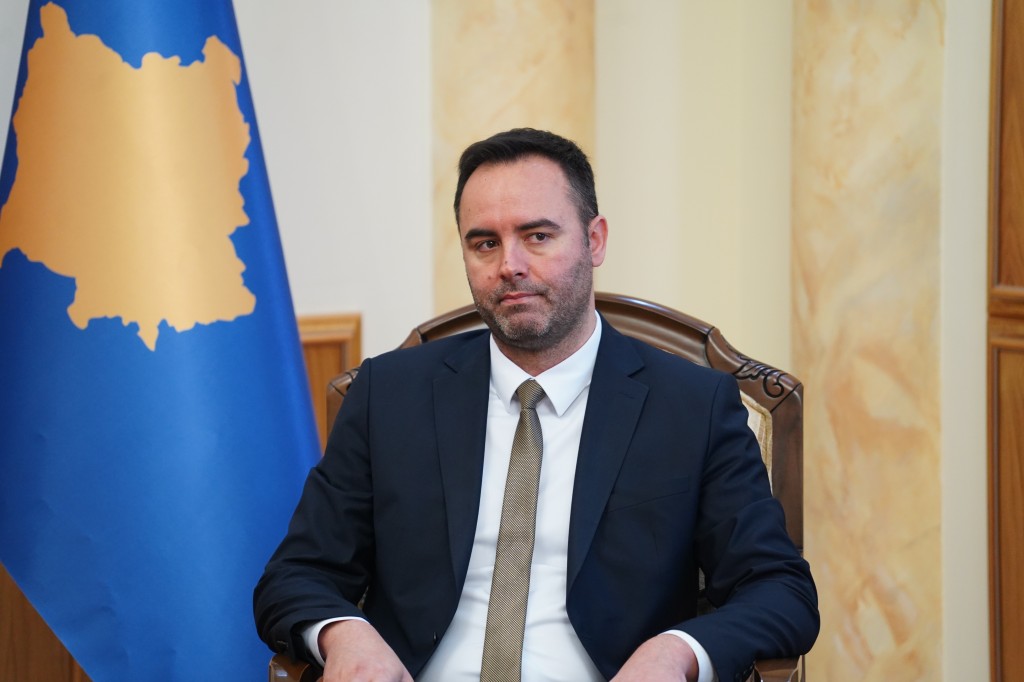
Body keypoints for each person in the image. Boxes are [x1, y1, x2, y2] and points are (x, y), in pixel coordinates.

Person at [254, 128, 818, 682]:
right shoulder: (390, 396)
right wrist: (343, 634)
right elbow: (296, 574)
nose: (510, 265)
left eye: (538, 236)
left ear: (595, 240)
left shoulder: (691, 406)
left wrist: (678, 652)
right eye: (485, 243)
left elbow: (780, 590)